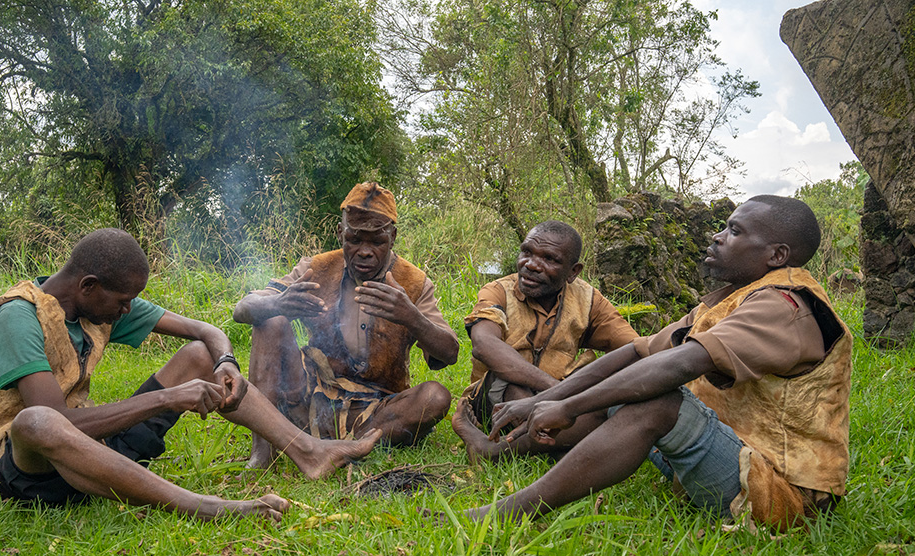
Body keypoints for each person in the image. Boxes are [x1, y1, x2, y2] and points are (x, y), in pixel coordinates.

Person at [458, 196, 852, 531]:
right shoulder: (732, 299)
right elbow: (635, 352)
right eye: (528, 253)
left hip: (784, 495)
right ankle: (499, 451)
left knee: (653, 398)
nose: (717, 236)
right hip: (739, 457)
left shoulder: (783, 305)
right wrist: (547, 399)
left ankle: (510, 511)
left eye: (734, 231)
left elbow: (677, 365)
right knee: (622, 383)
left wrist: (567, 405)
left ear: (777, 255)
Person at [0, 228, 380, 522]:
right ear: (89, 286)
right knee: (33, 421)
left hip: (97, 448)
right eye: (123, 301)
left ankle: (308, 451)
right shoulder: (18, 317)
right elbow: (57, 422)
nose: (127, 311)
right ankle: (206, 506)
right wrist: (167, 398)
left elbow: (207, 332)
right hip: (31, 471)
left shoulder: (92, 302)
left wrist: (224, 364)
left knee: (200, 354)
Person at [234, 182, 459, 468]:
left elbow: (449, 353)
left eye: (376, 241)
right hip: (309, 401)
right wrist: (277, 304)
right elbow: (243, 308)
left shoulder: (412, 282)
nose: (365, 251)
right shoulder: (317, 267)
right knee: (269, 319)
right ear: (341, 233)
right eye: (354, 239)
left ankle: (344, 446)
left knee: (435, 396)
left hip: (376, 411)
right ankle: (262, 453)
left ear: (393, 236)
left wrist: (411, 316)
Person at [453, 220, 638, 460]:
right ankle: (558, 444)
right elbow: (484, 345)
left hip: (559, 402)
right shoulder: (498, 290)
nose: (530, 265)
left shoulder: (589, 300)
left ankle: (511, 449)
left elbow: (636, 349)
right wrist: (560, 391)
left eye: (549, 259)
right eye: (527, 252)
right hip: (497, 398)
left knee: (608, 395)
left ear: (573, 272)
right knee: (509, 380)